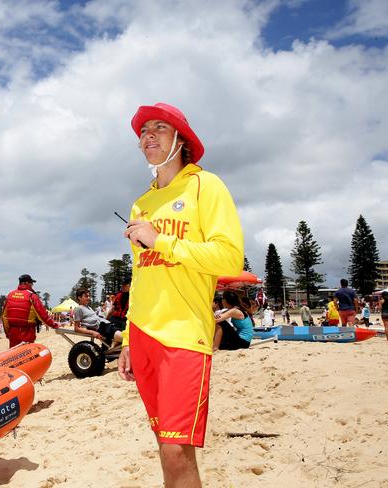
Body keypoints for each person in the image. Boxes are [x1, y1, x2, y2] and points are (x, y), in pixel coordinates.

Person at [118, 102, 243, 487]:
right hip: (143, 334)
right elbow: (141, 277)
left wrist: (163, 241)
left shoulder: (206, 185)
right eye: (143, 131)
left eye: (159, 127)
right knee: (163, 441)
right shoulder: (142, 202)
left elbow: (229, 257)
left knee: (177, 449)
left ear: (181, 140)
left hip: (184, 334)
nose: (148, 135)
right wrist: (126, 337)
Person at [1, 274, 59, 347]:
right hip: (27, 333)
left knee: (14, 356)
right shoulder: (32, 296)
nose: (32, 285)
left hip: (13, 333)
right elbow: (42, 315)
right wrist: (55, 325)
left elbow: (4, 317)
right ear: (26, 283)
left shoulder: (10, 295)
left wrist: (7, 333)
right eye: (31, 283)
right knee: (26, 356)